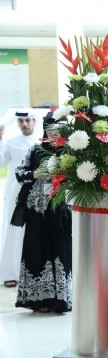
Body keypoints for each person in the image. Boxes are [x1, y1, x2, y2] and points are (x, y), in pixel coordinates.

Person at [14, 114, 72, 313]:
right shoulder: (35, 149)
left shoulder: (71, 152)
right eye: (50, 129)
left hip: (61, 209)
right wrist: (34, 174)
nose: (54, 133)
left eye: (59, 129)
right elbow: (19, 173)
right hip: (37, 211)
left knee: (60, 248)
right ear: (45, 130)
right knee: (37, 248)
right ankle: (40, 300)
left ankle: (62, 299)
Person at [0, 111, 39, 288]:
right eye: (21, 121)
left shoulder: (40, 142)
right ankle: (10, 273)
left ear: (34, 122)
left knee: (33, 232)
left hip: (36, 193)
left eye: (28, 120)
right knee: (12, 230)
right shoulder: (10, 142)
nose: (25, 124)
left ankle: (31, 273)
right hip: (14, 193)